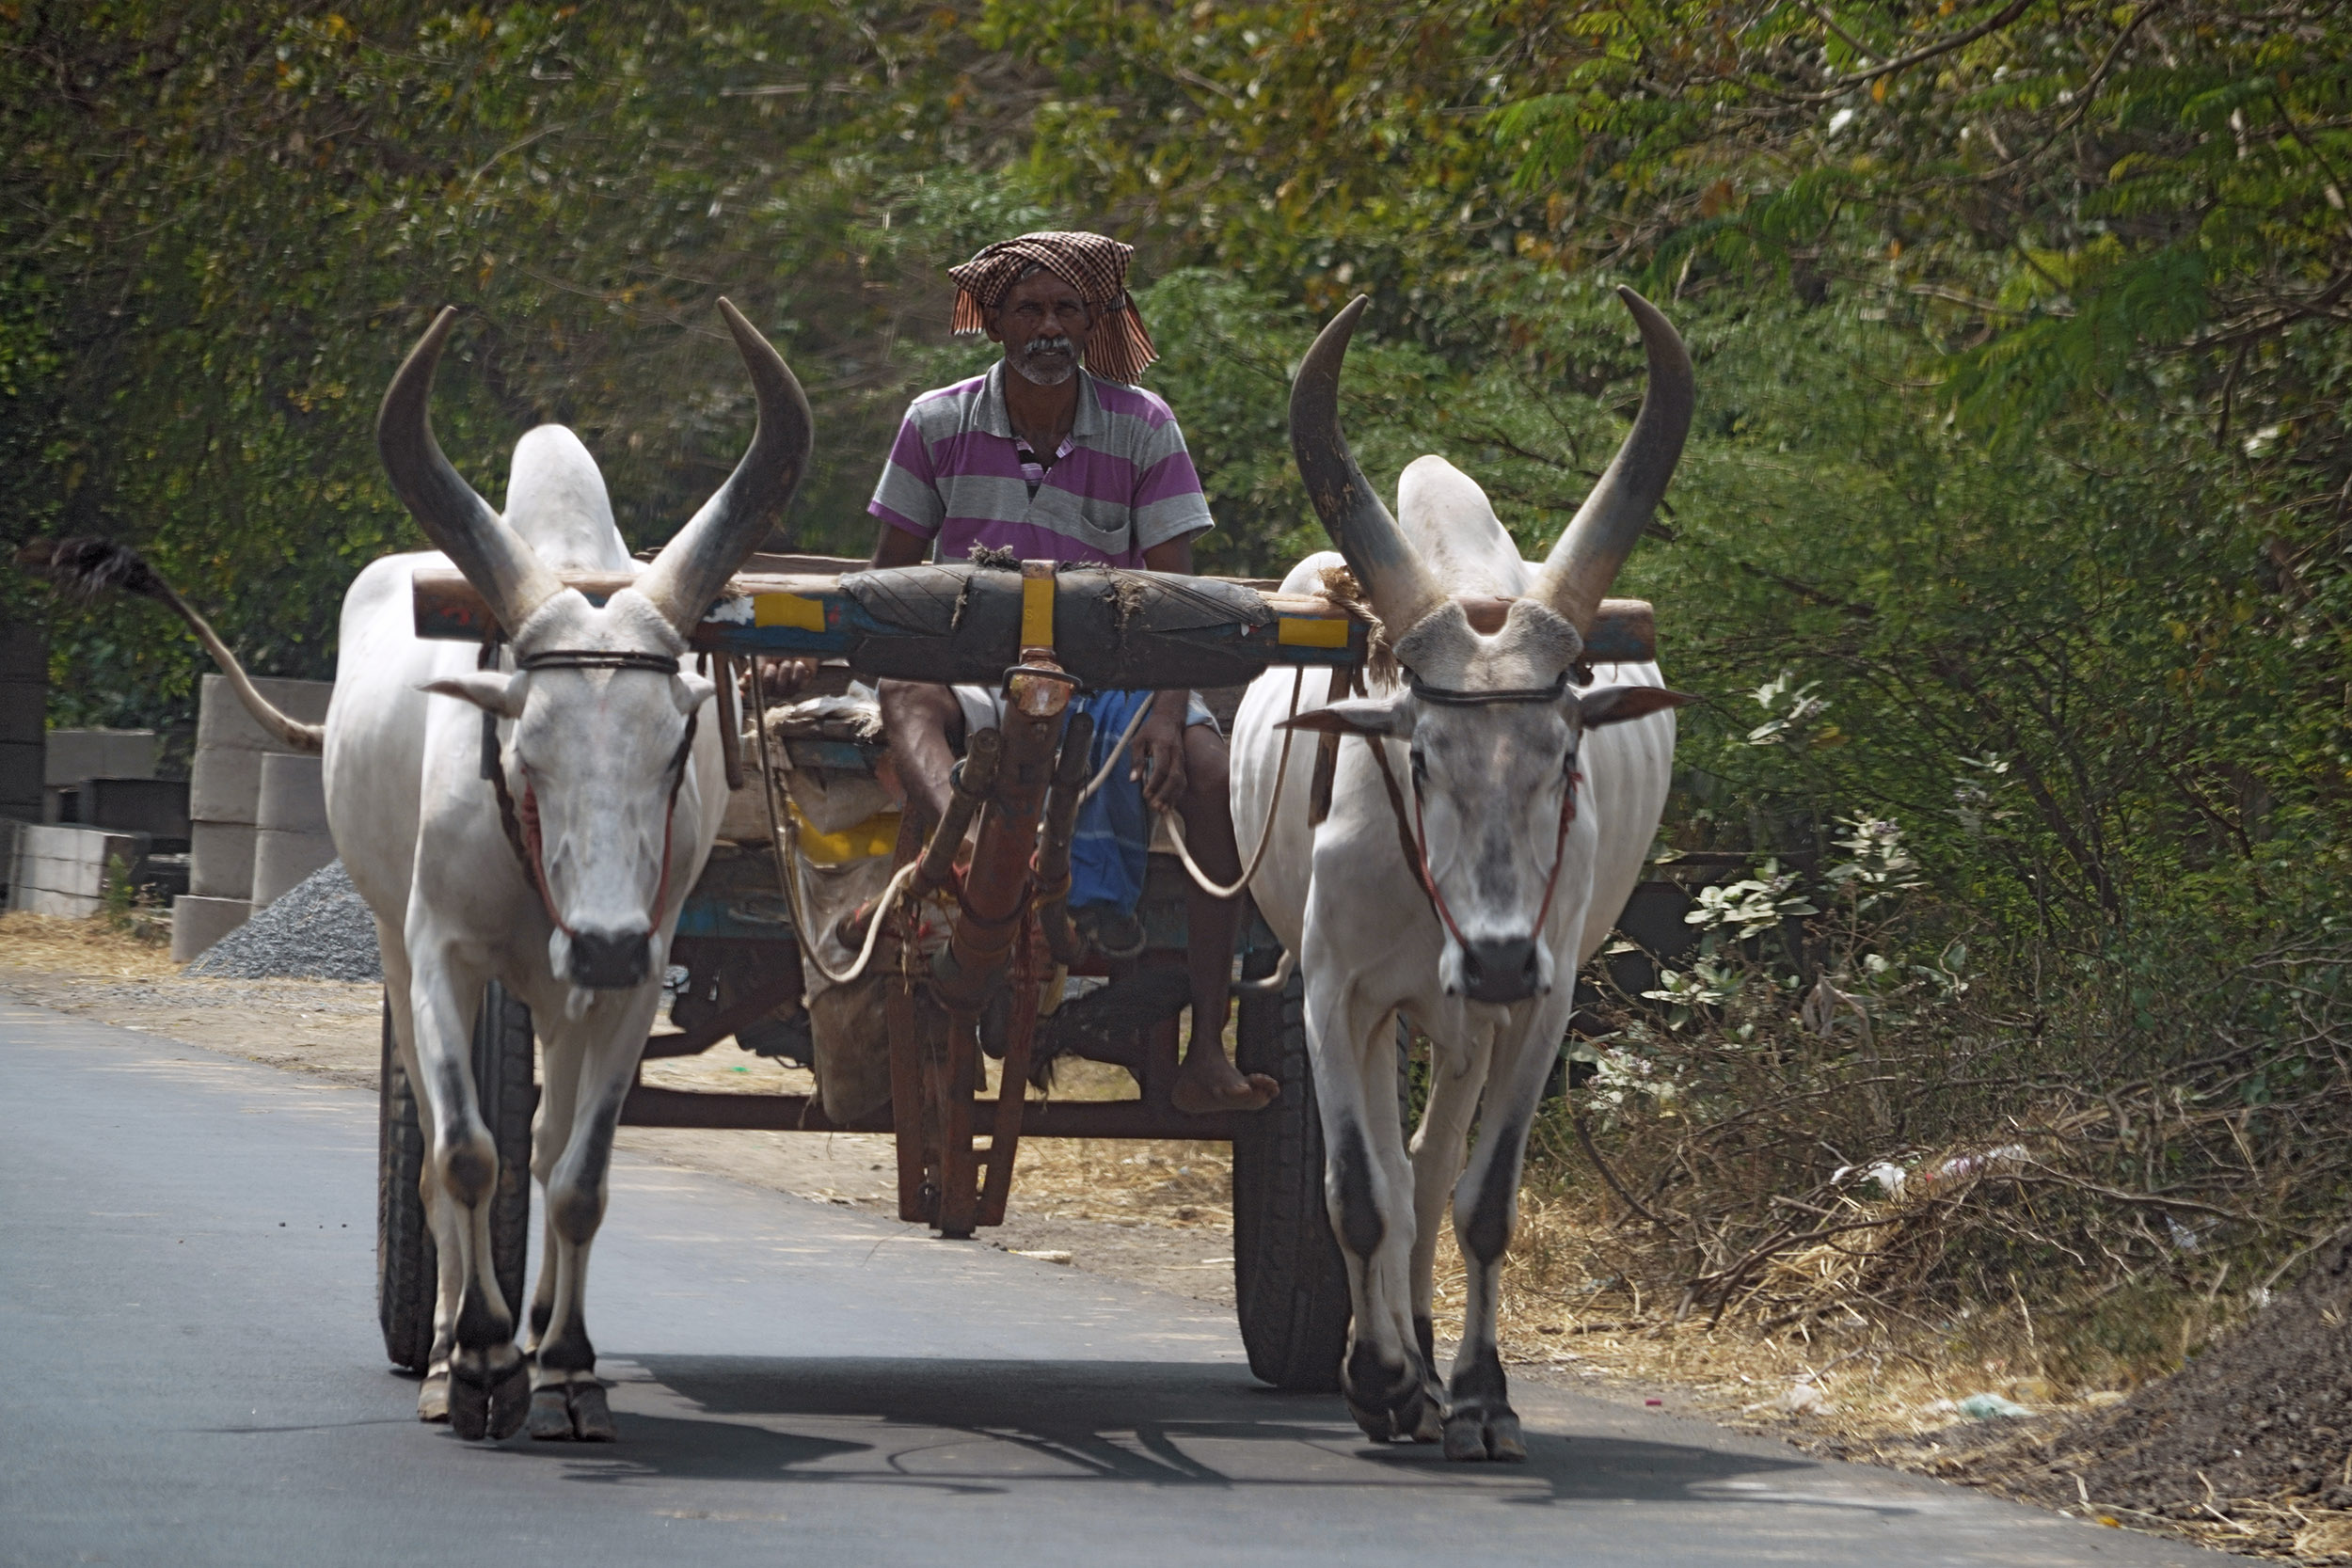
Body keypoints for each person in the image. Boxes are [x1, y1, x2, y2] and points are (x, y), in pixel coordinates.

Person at [865, 230, 1276, 1114]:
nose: (1048, 327)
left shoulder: (1142, 423)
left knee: (1209, 772)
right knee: (905, 693)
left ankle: (1208, 1045)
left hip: (1117, 672)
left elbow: (1176, 591)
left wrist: (1171, 712)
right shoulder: (936, 421)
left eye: (1066, 310)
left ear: (1095, 323)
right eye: (1029, 309)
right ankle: (968, 859)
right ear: (996, 323)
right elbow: (892, 581)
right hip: (976, 667)